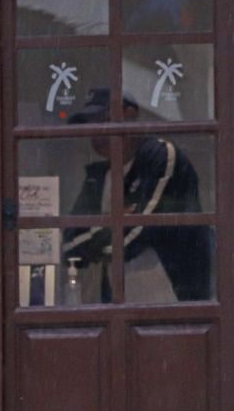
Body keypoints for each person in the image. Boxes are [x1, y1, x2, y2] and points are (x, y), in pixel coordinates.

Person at [61, 88, 210, 302]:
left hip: (174, 302)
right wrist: (116, 223)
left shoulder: (159, 157)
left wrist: (100, 234)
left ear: (130, 115)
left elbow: (141, 231)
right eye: (90, 125)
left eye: (103, 120)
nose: (96, 133)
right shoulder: (98, 176)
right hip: (117, 304)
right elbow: (68, 245)